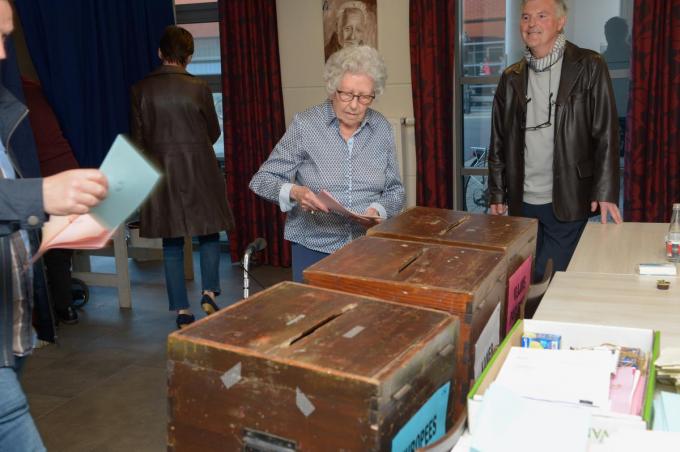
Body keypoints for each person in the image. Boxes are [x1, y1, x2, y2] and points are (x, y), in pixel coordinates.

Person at [0, 5, 109, 451]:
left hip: (11, 328)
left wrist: (45, 229)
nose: (4, 55)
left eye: (6, 37)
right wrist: (40, 197)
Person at [488, 0, 622, 283]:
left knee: (546, 277)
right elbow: (498, 139)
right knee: (521, 277)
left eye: (541, 16)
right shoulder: (510, 77)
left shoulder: (589, 66)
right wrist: (497, 193)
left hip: (569, 195)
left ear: (561, 22)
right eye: (525, 17)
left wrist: (606, 190)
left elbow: (605, 132)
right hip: (522, 201)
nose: (531, 23)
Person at [250, 45, 405, 282]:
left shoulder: (382, 128)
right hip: (313, 246)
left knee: (363, 316)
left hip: (368, 245)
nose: (354, 105)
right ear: (333, 90)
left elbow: (396, 190)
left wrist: (377, 211)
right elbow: (262, 180)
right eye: (347, 94)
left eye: (364, 97)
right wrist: (295, 192)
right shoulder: (306, 125)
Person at [131, 26, 234, 329]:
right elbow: (213, 132)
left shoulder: (140, 90)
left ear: (160, 53)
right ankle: (209, 292)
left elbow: (138, 142)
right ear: (189, 56)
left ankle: (181, 311)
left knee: (172, 243)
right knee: (210, 233)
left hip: (162, 174)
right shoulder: (200, 87)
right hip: (200, 168)